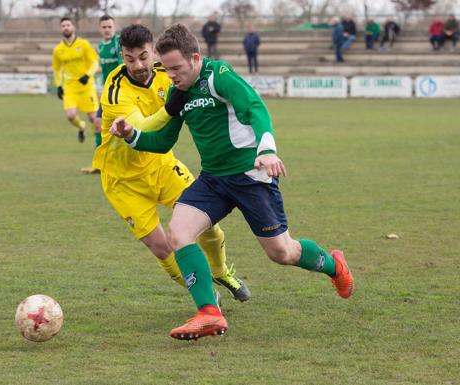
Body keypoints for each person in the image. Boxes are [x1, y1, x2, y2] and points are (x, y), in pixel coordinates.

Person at [110, 24, 354, 340]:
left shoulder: (219, 75)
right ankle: (209, 313)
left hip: (250, 177)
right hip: (213, 180)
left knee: (282, 253)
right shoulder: (179, 92)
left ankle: (334, 266)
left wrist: (267, 150)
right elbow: (163, 141)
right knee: (178, 233)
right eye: (167, 69)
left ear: (195, 58)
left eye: (176, 68)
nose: (170, 76)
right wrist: (132, 135)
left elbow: (255, 108)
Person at [94, 24, 251, 304]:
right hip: (123, 182)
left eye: (143, 56)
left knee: (209, 225)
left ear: (154, 51)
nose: (138, 65)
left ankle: (221, 272)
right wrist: (169, 108)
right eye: (129, 59)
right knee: (162, 248)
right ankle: (204, 294)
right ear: (122, 56)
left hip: (162, 166)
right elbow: (141, 128)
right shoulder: (116, 89)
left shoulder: (168, 73)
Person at [52, 16, 101, 172]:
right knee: (71, 116)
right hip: (70, 89)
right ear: (61, 29)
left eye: (68, 25)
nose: (66, 27)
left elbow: (94, 61)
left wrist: (88, 74)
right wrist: (59, 85)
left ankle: (97, 143)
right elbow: (57, 69)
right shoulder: (58, 50)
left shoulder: (83, 44)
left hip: (86, 87)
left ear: (73, 27)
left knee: (94, 118)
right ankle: (81, 127)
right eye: (63, 25)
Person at [82, 15, 124, 175]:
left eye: (109, 27)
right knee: (98, 124)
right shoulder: (100, 45)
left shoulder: (117, 42)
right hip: (107, 91)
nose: (107, 30)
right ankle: (99, 164)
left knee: (122, 127)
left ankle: (123, 162)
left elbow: (122, 66)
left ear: (114, 28)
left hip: (119, 92)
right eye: (104, 27)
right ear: (100, 28)